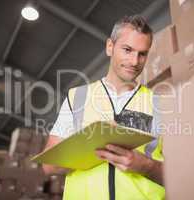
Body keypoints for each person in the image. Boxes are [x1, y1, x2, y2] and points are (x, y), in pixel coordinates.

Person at [43, 15, 165, 200]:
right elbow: (49, 166)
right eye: (127, 50)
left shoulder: (160, 104)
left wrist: (146, 166)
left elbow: (182, 176)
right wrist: (91, 143)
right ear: (110, 47)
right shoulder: (77, 98)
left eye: (142, 54)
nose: (134, 61)